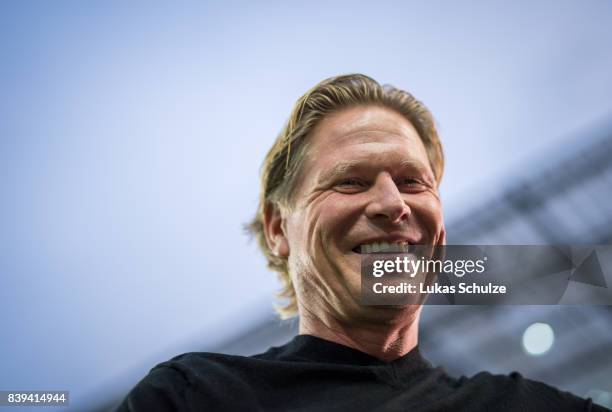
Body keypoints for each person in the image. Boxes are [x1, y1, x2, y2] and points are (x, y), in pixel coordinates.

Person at [116, 74, 608, 411]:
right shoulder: (195, 398)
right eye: (351, 181)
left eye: (414, 182)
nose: (394, 204)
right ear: (277, 228)